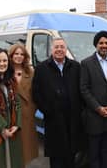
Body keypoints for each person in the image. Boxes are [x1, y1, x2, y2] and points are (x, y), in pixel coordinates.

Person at [32, 37, 84, 168]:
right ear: (51, 49)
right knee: (56, 158)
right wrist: (47, 110)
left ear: (66, 49)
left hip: (72, 120)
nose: (59, 49)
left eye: (62, 47)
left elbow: (82, 90)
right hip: (53, 120)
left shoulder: (76, 67)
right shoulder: (42, 68)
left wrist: (79, 110)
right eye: (56, 47)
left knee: (71, 158)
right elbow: (36, 93)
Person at [80, 30, 107, 168]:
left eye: (106, 43)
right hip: (94, 118)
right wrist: (98, 108)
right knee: (94, 154)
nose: (104, 45)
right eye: (101, 43)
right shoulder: (86, 63)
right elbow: (84, 89)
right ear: (96, 45)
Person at [8, 43, 39, 166]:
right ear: (11, 55)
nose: (19, 56)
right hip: (10, 116)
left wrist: (31, 110)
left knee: (25, 150)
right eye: (16, 54)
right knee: (11, 150)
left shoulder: (31, 72)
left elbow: (37, 93)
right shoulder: (5, 71)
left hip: (27, 116)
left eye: (22, 54)